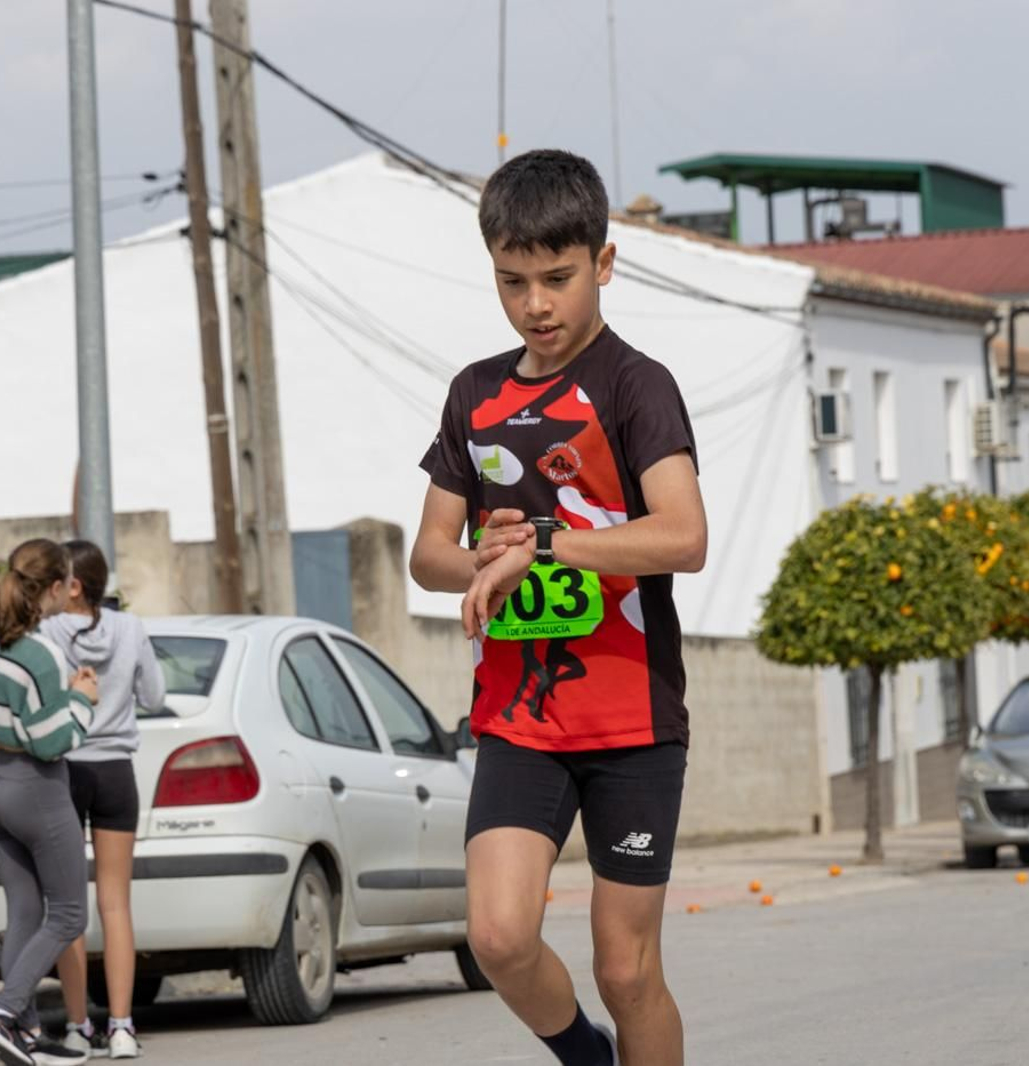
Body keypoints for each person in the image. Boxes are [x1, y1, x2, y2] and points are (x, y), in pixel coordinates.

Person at [409, 149, 707, 1066]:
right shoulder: (475, 394)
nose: (535, 304)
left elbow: (683, 538)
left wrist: (544, 541)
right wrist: (482, 560)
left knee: (626, 971)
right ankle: (588, 1058)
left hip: (632, 720)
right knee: (498, 937)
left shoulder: (635, 385)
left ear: (603, 265)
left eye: (557, 279)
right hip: (520, 719)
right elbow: (426, 558)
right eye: (512, 281)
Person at [0, 539, 98, 1066]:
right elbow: (50, 741)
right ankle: (2, 1014)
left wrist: (62, 698)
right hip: (38, 787)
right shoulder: (42, 652)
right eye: (68, 582)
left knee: (23, 912)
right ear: (60, 587)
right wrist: (83, 703)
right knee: (68, 915)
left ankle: (23, 1032)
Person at [45, 540, 164, 1060]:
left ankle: (75, 1026)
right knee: (115, 903)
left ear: (70, 585)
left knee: (67, 905)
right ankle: (121, 1026)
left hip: (64, 769)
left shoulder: (45, 631)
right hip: (117, 771)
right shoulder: (131, 628)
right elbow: (155, 697)